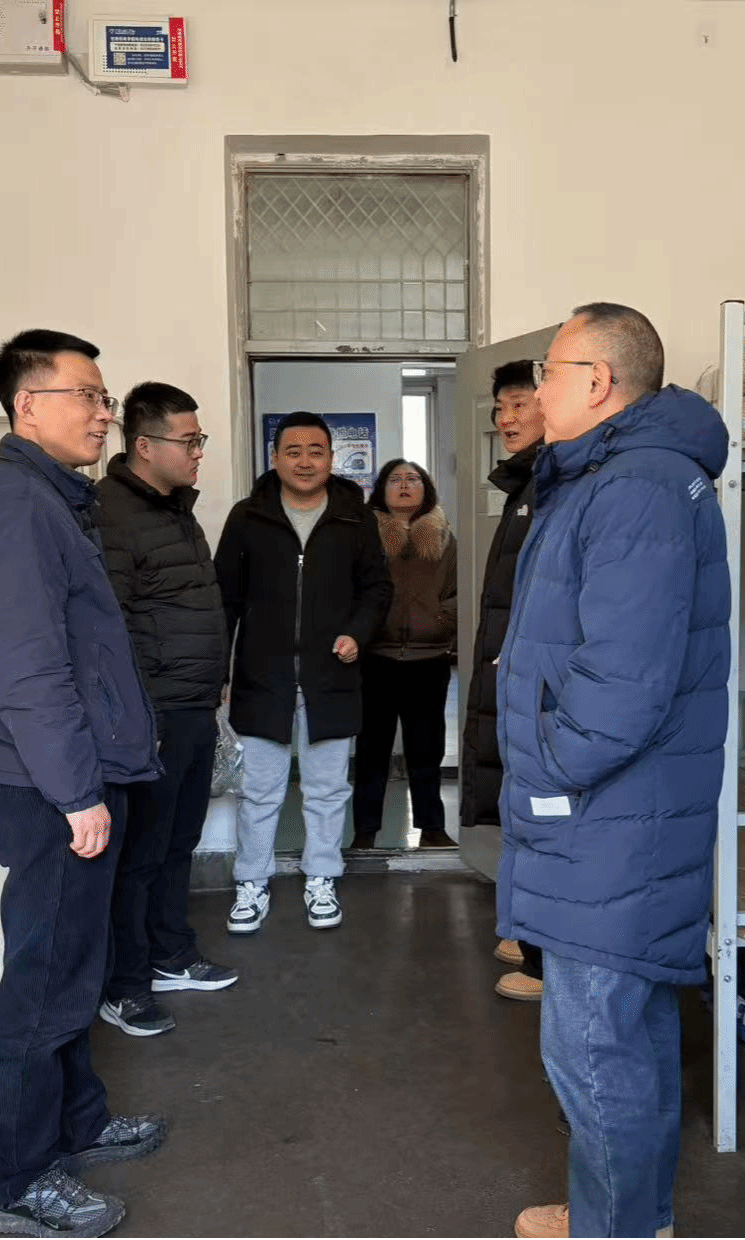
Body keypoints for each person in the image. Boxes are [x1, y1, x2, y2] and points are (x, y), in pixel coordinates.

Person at [500, 305, 731, 1240]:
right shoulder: (616, 475)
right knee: (625, 1034)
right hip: (617, 815)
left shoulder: (635, 486)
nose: (535, 390)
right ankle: (625, 1214)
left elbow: (623, 684)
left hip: (607, 815)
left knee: (596, 1048)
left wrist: (551, 771)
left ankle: (618, 1227)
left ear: (598, 382)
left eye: (549, 371)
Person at [0, 329, 167, 1240]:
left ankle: (77, 1121)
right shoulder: (18, 509)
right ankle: (21, 1177)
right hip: (52, 789)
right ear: (27, 404)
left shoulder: (51, 502)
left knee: (73, 967)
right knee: (43, 982)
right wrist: (78, 795)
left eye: (104, 396)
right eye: (88, 395)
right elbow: (30, 673)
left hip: (71, 776)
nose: (104, 413)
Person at [94, 382, 236, 1041]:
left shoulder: (174, 509)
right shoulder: (112, 514)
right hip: (154, 714)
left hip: (192, 707)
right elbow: (112, 625)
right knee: (140, 854)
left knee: (179, 843)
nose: (199, 451)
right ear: (145, 446)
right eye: (190, 440)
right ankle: (125, 987)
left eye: (200, 438)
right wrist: (138, 717)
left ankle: (170, 954)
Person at [213, 412, 392, 934]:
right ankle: (252, 881)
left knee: (327, 790)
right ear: (275, 458)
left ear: (332, 459)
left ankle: (321, 876)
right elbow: (224, 600)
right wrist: (218, 671)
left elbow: (377, 588)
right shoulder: (248, 517)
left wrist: (357, 632)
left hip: (331, 675)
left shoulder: (355, 518)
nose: (305, 461)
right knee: (259, 791)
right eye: (293, 451)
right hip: (261, 677)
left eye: (316, 451)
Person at [458, 360, 549, 1002]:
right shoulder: (527, 482)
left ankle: (544, 958)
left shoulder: (558, 480)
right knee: (519, 810)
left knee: (540, 816)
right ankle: (525, 930)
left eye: (520, 404)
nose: (506, 419)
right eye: (500, 408)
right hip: (514, 671)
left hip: (535, 680)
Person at [351, 458, 458, 850]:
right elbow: (351, 589)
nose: (404, 485)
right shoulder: (364, 536)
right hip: (375, 658)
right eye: (395, 479)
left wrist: (442, 620)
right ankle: (365, 833)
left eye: (413, 479)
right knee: (372, 750)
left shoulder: (444, 538)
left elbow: (459, 590)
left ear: (425, 488)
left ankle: (432, 828)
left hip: (429, 658)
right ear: (382, 490)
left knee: (426, 749)